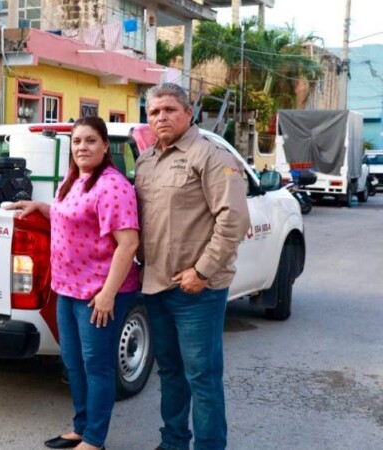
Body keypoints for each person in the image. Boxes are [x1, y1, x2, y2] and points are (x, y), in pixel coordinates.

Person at [5, 116, 140, 450]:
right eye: (77, 141)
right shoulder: (73, 179)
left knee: (96, 367)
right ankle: (81, 427)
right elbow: (70, 216)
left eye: (91, 140)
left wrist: (108, 294)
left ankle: (94, 439)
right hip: (66, 289)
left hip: (98, 294)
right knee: (73, 363)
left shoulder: (112, 186)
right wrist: (40, 207)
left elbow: (128, 244)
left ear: (105, 145)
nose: (82, 147)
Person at [134, 83, 251, 450]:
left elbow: (234, 220)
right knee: (170, 371)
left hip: (197, 291)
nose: (161, 117)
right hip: (156, 285)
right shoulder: (145, 161)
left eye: (169, 109)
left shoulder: (211, 156)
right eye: (154, 112)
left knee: (202, 377)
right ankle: (173, 442)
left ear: (188, 113)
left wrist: (202, 272)